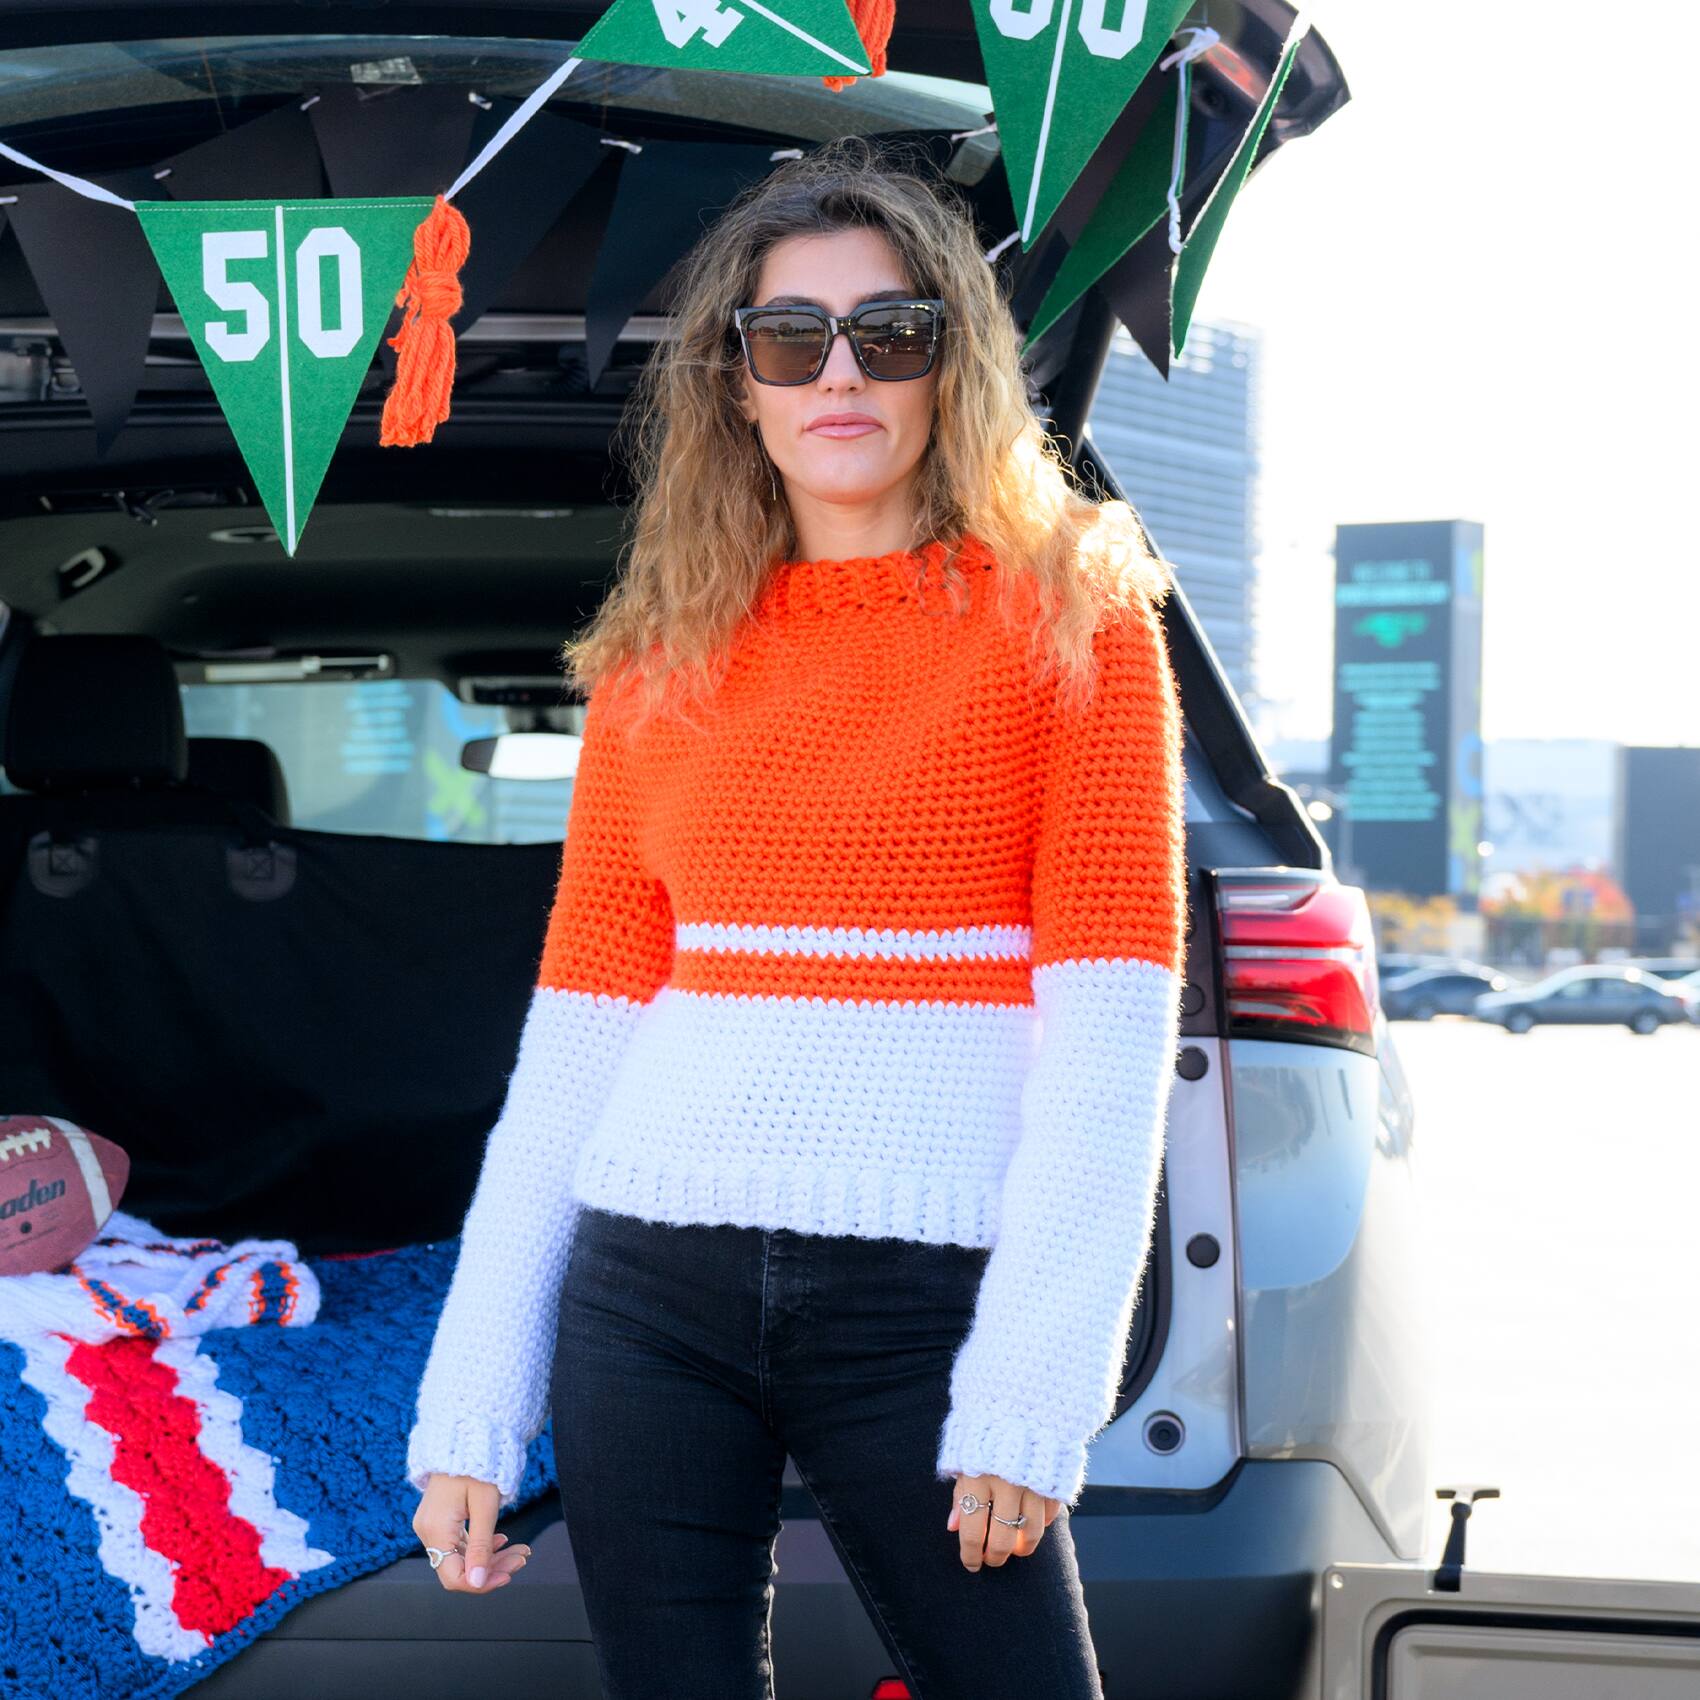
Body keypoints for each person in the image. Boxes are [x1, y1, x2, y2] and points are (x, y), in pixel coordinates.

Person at [407, 133, 1187, 1699]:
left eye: (889, 333)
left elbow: (1109, 1053)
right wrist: (472, 1404)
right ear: (738, 383)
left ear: (952, 366)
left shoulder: (1076, 624)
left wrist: (1032, 1388)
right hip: (649, 1300)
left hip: (925, 1306)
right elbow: (572, 1057)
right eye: (791, 337)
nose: (840, 371)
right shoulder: (657, 659)